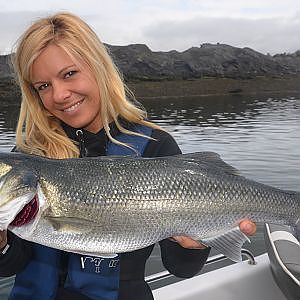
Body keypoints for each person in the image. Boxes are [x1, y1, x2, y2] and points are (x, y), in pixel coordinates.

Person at [0, 12, 256, 300]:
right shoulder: (30, 155)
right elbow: (12, 263)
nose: (59, 94)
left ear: (98, 67)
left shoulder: (155, 146)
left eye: (69, 74)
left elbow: (180, 268)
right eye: (43, 86)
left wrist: (194, 244)